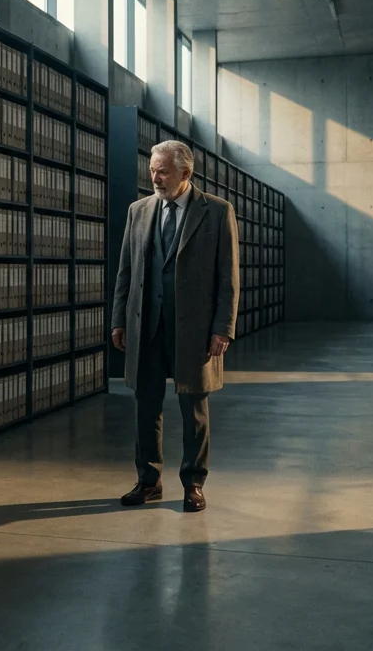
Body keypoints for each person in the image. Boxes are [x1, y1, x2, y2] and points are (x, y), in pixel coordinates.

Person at [110, 139, 240, 512]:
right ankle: (148, 480)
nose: (155, 177)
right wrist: (119, 319)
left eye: (163, 171)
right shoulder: (139, 210)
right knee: (146, 406)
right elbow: (126, 272)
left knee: (193, 409)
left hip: (195, 330)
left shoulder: (216, 212)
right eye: (152, 170)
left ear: (186, 173)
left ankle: (193, 483)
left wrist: (223, 328)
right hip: (146, 326)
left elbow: (228, 277)